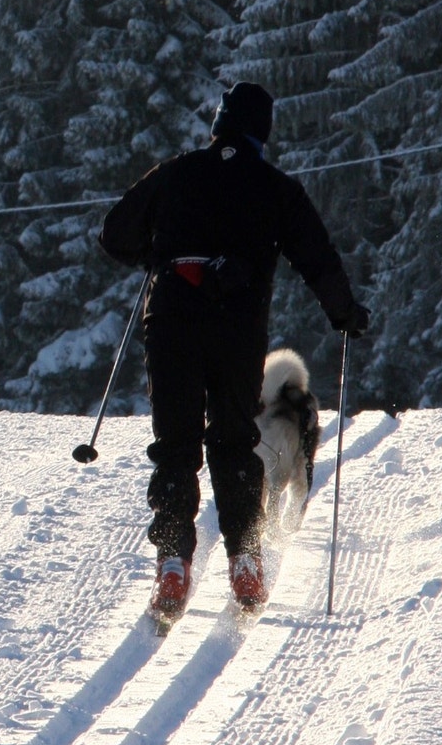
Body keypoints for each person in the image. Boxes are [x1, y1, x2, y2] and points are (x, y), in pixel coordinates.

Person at [99, 82, 368, 616]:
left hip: (172, 319)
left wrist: (153, 253)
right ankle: (245, 562)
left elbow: (114, 234)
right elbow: (316, 257)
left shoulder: (176, 171)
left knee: (175, 444)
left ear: (218, 123)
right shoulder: (276, 188)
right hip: (237, 328)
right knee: (231, 440)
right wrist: (344, 312)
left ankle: (173, 565)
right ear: (262, 133)